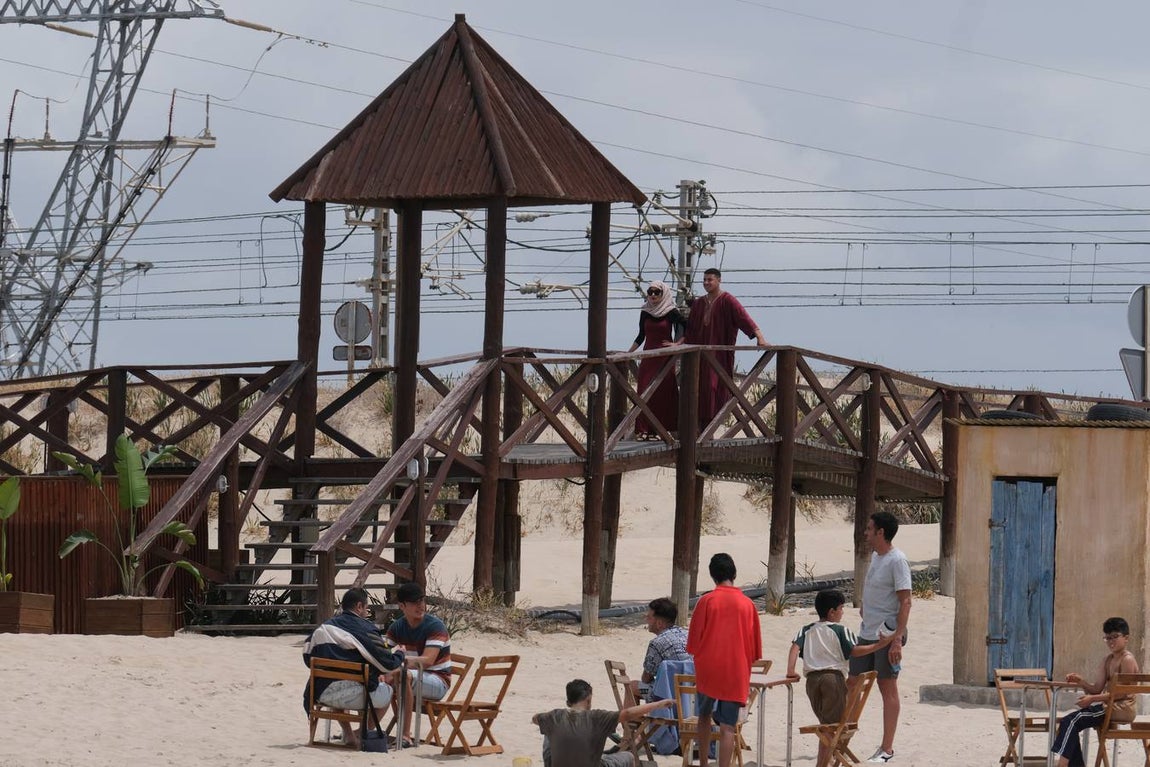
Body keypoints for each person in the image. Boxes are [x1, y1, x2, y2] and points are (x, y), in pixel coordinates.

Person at [786, 589, 895, 767]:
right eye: (841, 608)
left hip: (811, 681)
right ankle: (825, 763)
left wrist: (791, 670)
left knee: (826, 724)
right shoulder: (840, 630)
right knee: (832, 725)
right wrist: (878, 645)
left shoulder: (807, 629)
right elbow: (855, 651)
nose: (843, 612)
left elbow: (794, 648)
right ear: (832, 612)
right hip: (833, 679)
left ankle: (823, 763)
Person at [302, 587, 402, 749]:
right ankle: (362, 732)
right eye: (366, 607)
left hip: (321, 693)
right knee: (387, 691)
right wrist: (400, 655)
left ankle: (349, 734)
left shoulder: (325, 627)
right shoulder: (365, 629)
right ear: (359, 606)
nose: (367, 610)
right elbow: (386, 663)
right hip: (353, 695)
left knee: (334, 677)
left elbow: (307, 656)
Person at [687, 552, 762, 767]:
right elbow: (755, 648)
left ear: (713, 576)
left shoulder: (706, 601)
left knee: (703, 716)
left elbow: (693, 643)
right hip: (736, 669)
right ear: (734, 574)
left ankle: (702, 763)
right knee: (728, 726)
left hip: (709, 666)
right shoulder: (748, 604)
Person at [848, 511, 912, 763]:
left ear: (881, 532)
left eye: (869, 528)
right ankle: (842, 738)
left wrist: (897, 639)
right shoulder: (876, 557)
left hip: (887, 635)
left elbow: (906, 601)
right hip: (866, 632)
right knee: (852, 684)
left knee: (887, 688)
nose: (866, 532)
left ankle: (887, 748)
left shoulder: (898, 560)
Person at [681, 268, 767, 427]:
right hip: (699, 356)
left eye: (710, 279)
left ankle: (711, 429)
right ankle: (698, 429)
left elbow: (743, 317)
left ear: (719, 280)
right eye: (704, 279)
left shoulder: (727, 300)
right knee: (698, 389)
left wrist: (759, 337)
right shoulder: (699, 303)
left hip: (719, 356)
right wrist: (680, 344)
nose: (706, 283)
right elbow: (691, 329)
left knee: (715, 388)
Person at [1050, 617, 1140, 767]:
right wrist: (1081, 681)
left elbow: (1123, 693)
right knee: (1067, 722)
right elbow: (1097, 688)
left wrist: (1092, 699)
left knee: (1071, 721)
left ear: (1126, 638)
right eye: (1107, 637)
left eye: (1115, 637)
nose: (1111, 641)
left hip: (1122, 708)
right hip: (1109, 706)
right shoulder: (1108, 660)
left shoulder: (1127, 659)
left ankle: (1062, 764)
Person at [533, 678, 675, 767]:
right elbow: (629, 713)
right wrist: (658, 704)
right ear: (588, 700)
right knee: (628, 756)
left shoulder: (554, 716)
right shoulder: (598, 717)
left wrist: (544, 717)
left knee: (548, 731)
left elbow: (535, 718)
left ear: (568, 702)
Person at [385, 581, 451, 747]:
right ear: (402, 606)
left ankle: (405, 735)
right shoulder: (397, 627)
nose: (420, 605)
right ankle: (365, 730)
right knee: (375, 678)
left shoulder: (435, 626)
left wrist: (397, 662)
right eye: (414, 602)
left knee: (400, 675)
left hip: (438, 681)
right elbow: (383, 655)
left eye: (422, 601)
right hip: (410, 677)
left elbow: (428, 661)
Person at [627, 280, 685, 439]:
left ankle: (663, 430)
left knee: (663, 392)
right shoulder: (645, 311)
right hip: (648, 357)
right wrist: (627, 353)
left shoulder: (671, 311)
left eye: (656, 292)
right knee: (644, 391)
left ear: (663, 293)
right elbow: (640, 336)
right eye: (650, 292)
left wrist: (677, 344)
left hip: (664, 358)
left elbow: (688, 325)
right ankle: (644, 430)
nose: (652, 295)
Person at [627, 597, 692, 704]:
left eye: (649, 617)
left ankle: (632, 720)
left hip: (665, 696)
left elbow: (646, 679)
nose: (646, 619)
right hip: (692, 692)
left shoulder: (657, 643)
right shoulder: (688, 636)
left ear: (659, 623)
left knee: (631, 686)